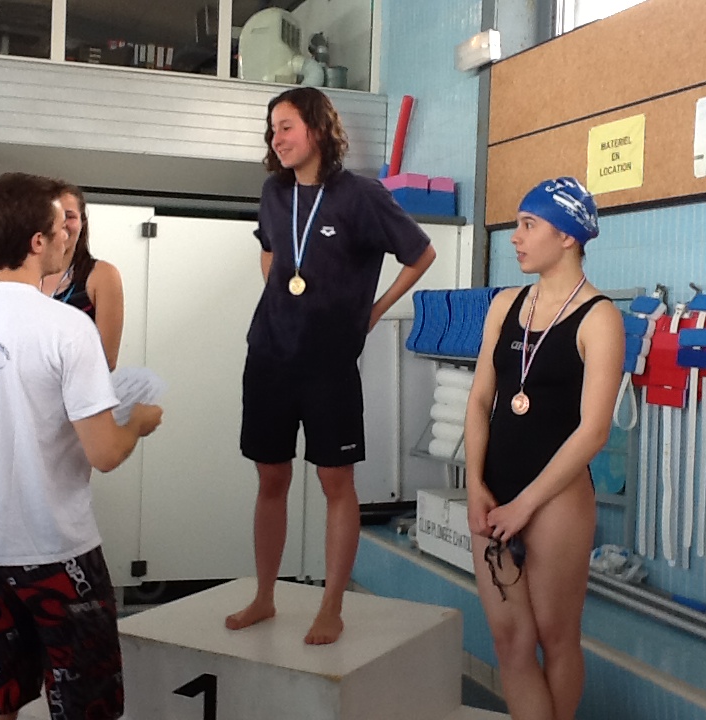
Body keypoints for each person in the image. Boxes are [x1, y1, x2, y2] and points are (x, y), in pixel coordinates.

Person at [0, 172, 163, 720]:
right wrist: (139, 422)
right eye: (61, 227)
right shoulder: (66, 327)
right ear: (38, 241)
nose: (69, 236)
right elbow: (105, 453)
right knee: (86, 706)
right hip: (53, 548)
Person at [225, 87, 437, 645]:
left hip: (329, 364)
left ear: (317, 129)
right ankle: (264, 596)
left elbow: (421, 253)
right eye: (273, 128)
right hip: (269, 355)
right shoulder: (274, 192)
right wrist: (281, 290)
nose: (277, 138)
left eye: (287, 126)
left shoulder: (361, 196)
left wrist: (375, 310)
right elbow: (270, 248)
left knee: (334, 481)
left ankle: (332, 606)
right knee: (271, 478)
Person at [464, 177, 623, 720]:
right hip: (494, 490)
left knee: (556, 638)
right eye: (517, 224)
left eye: (529, 225)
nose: (515, 237)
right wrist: (474, 485)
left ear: (567, 236)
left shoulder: (599, 318)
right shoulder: (506, 305)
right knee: (510, 641)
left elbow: (594, 431)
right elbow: (480, 399)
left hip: (556, 499)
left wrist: (525, 505)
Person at [41, 184, 125, 370]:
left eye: (69, 216)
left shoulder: (102, 275)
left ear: (82, 222)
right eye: (53, 216)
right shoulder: (25, 275)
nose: (61, 223)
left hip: (75, 387)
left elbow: (106, 360)